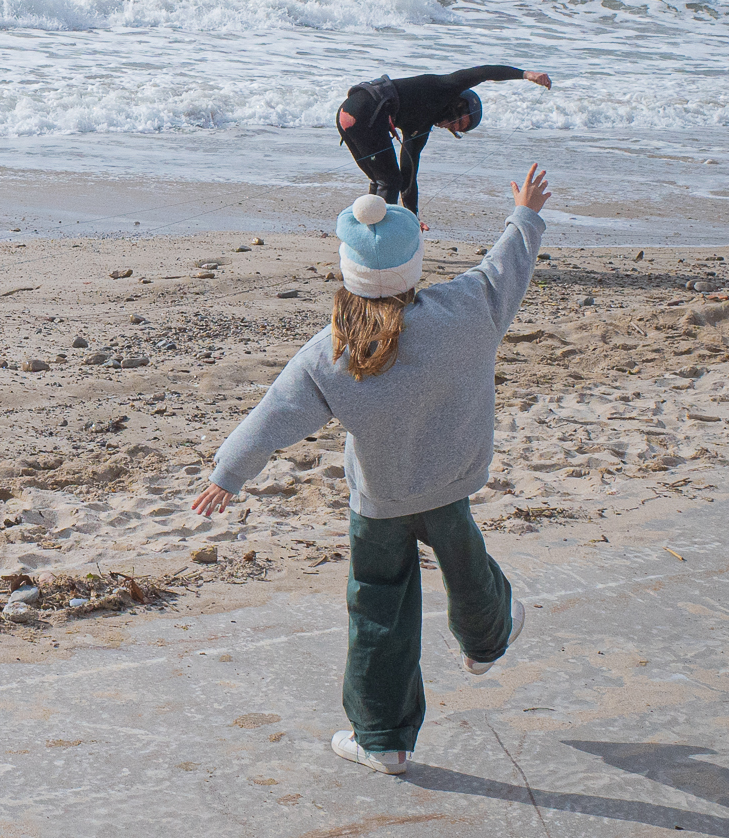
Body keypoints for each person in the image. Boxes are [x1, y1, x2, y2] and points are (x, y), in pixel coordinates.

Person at [193, 165, 550, 774]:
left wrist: (228, 473)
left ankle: (383, 739)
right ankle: (488, 642)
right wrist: (524, 212)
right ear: (413, 269)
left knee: (379, 608)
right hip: (451, 483)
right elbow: (507, 265)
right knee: (466, 563)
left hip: (380, 498)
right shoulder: (468, 309)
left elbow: (273, 414)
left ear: (348, 271)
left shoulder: (332, 351)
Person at [336, 66, 550, 221]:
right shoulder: (445, 87)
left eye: (457, 130)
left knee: (383, 179)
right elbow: (482, 73)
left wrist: (412, 219)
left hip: (349, 114)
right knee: (389, 181)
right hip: (367, 108)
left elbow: (408, 176)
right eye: (459, 122)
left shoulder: (420, 127)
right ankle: (383, 240)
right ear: (458, 104)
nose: (454, 128)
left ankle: (368, 229)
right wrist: (525, 74)